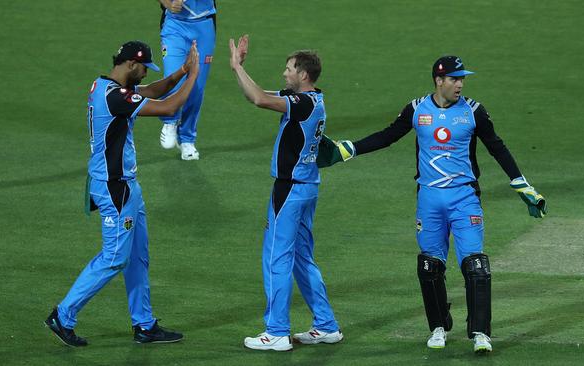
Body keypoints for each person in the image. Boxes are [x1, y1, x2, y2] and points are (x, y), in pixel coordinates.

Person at [320, 56, 547, 353]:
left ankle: (481, 333)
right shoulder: (416, 109)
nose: (460, 84)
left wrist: (521, 184)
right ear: (439, 80)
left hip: (464, 198)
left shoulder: (474, 111)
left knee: (476, 266)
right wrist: (348, 150)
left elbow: (497, 147)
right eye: (454, 79)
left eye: (462, 78)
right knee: (429, 266)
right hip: (428, 200)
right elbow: (388, 136)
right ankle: (438, 327)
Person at [45, 40, 200, 347]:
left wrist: (181, 71)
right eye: (143, 67)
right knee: (115, 257)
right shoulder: (115, 97)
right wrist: (194, 77)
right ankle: (63, 315)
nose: (145, 73)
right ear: (131, 64)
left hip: (127, 187)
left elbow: (152, 91)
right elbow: (168, 107)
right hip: (115, 188)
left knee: (138, 257)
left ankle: (144, 325)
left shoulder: (106, 87)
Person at [229, 35, 343, 351]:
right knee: (303, 258)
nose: (284, 73)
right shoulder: (311, 99)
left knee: (276, 257)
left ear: (303, 75)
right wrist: (240, 70)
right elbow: (259, 94)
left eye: (289, 68)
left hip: (290, 190)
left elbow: (259, 100)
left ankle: (277, 331)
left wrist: (237, 66)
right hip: (307, 187)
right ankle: (326, 325)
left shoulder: (302, 102)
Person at [157, 0, 216, 160]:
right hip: (174, 26)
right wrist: (168, 4)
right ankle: (170, 121)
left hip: (204, 27)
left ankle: (187, 139)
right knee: (173, 75)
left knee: (196, 86)